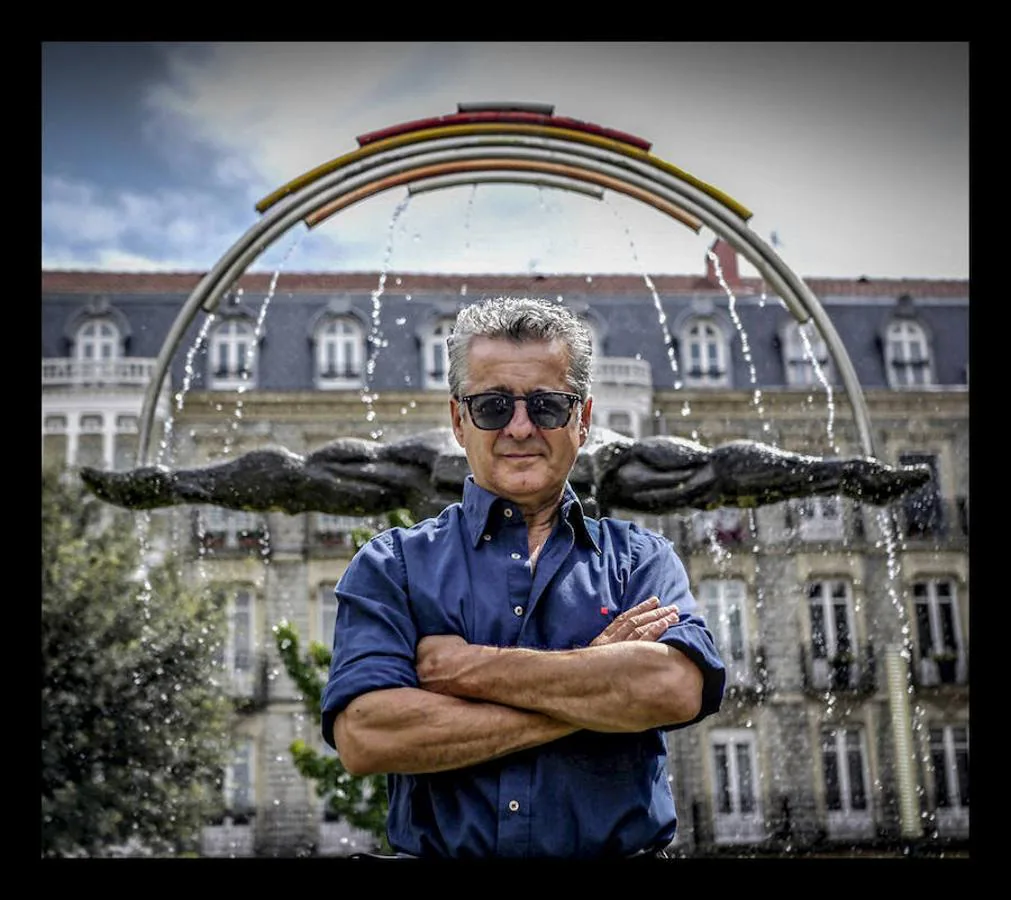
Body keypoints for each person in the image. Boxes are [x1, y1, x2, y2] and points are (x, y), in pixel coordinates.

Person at [320, 296, 727, 860]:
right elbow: (367, 736)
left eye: (546, 406)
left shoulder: (641, 560)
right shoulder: (392, 564)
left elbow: (673, 688)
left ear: (582, 420)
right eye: (491, 406)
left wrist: (461, 668)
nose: (519, 427)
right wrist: (598, 680)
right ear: (459, 421)